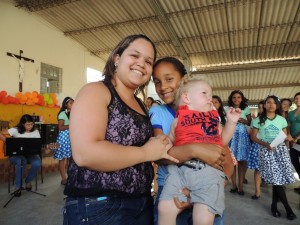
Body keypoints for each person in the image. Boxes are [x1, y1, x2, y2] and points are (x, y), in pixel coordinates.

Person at [62, 34, 177, 225]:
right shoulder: (96, 91)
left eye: (148, 61)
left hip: (141, 203)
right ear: (117, 58)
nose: (141, 63)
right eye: (135, 55)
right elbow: (85, 153)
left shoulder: (141, 105)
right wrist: (144, 152)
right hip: (100, 205)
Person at [150, 57, 228, 225]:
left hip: (206, 187)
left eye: (169, 79)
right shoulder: (158, 111)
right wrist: (195, 150)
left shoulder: (207, 113)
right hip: (172, 187)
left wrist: (205, 192)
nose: (162, 87)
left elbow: (223, 155)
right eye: (157, 82)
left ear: (184, 80)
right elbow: (161, 154)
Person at [251, 95, 297, 220]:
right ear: (265, 105)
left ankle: (274, 206)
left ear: (277, 105)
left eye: (274, 103)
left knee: (279, 180)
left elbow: (285, 134)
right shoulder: (258, 120)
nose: (271, 105)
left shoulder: (282, 119)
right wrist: (266, 144)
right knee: (277, 180)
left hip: (281, 150)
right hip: (267, 151)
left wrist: (287, 149)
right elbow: (253, 137)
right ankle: (288, 209)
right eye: (268, 102)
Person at [0, 114, 41, 197]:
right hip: (16, 155)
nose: (30, 126)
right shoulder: (16, 130)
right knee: (22, 161)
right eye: (27, 124)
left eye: (31, 124)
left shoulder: (36, 131)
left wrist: (45, 149)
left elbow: (38, 145)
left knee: (37, 163)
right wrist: (8, 142)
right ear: (23, 124)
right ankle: (18, 187)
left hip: (30, 154)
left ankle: (28, 181)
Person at [227, 90, 251, 195]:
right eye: (234, 97)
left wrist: (244, 121)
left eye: (238, 97)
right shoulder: (228, 109)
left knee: (241, 162)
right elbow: (225, 122)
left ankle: (241, 186)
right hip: (231, 136)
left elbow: (250, 122)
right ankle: (234, 186)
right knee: (232, 162)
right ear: (231, 99)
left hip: (242, 136)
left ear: (242, 99)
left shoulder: (246, 109)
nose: (236, 99)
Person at [53, 96, 74, 185]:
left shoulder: (73, 113)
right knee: (62, 159)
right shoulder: (62, 114)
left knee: (70, 159)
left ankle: (70, 177)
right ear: (66, 105)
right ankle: (64, 178)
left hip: (71, 137)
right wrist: (72, 125)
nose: (73, 104)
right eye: (71, 103)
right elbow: (60, 128)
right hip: (63, 138)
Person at [247, 100, 264, 199]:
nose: (261, 109)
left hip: (271, 146)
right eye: (260, 107)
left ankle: (278, 190)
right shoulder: (255, 120)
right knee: (258, 169)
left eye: (262, 107)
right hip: (258, 145)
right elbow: (252, 135)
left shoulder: (275, 119)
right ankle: (257, 190)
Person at [287, 92, 300, 194]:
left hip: (298, 140)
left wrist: (297, 137)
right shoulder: (291, 113)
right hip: (293, 141)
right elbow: (288, 125)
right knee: (294, 161)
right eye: (296, 98)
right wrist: (289, 136)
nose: (298, 99)